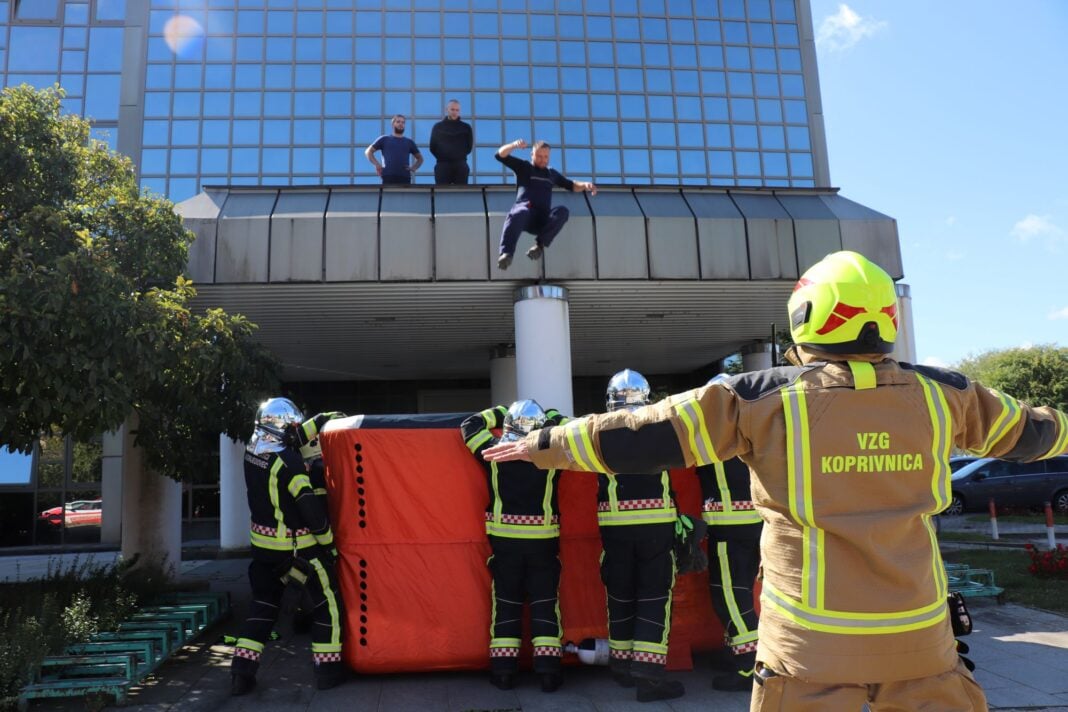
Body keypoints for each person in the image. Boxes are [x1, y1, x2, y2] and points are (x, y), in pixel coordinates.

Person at [485, 250, 1068, 712]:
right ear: (886, 319)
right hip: (919, 636)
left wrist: (544, 443)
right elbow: (1037, 433)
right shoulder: (948, 395)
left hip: (811, 645)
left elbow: (644, 431)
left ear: (805, 318)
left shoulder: (764, 399)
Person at [230, 399, 346, 696]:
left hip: (263, 552)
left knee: (263, 607)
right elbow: (312, 513)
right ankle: (328, 671)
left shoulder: (253, 449)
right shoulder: (291, 464)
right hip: (297, 550)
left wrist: (321, 419)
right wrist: (330, 547)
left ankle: (241, 672)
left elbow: (289, 437)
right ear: (284, 428)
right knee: (326, 605)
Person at [461, 399, 568, 693]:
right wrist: (551, 415)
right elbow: (570, 429)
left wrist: (497, 411)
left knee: (505, 604)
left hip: (505, 543)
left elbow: (469, 425)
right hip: (543, 542)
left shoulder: (493, 451)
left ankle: (503, 671)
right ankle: (548, 672)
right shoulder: (551, 453)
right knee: (545, 605)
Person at [596, 369, 685, 703]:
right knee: (652, 598)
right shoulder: (662, 425)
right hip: (656, 526)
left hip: (614, 527)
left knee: (620, 595)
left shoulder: (596, 429)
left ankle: (621, 668)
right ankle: (648, 679)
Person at [696, 457, 762, 692]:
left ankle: (749, 665)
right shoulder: (746, 424)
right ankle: (737, 653)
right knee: (740, 593)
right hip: (749, 519)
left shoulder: (717, 426)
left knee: (729, 597)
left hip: (730, 523)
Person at [494, 139, 597, 270]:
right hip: (525, 216)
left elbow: (570, 185)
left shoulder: (551, 173)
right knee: (520, 211)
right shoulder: (524, 167)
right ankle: (506, 254)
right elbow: (500, 155)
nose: (543, 160)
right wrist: (514, 145)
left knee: (562, 211)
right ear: (532, 155)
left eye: (546, 157)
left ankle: (539, 246)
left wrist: (586, 185)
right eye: (539, 156)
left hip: (541, 220)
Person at [365, 114, 422, 185]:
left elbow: (420, 158)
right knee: (387, 196)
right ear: (393, 124)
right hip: (388, 176)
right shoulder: (384, 139)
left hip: (404, 177)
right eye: (398, 122)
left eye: (403, 122)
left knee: (405, 196)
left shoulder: (409, 142)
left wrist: (414, 168)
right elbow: (368, 152)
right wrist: (377, 164)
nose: (401, 124)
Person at [429, 99, 473, 185]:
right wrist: (443, 156)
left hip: (460, 164)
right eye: (452, 109)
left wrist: (458, 155)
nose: (455, 112)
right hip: (442, 164)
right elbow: (432, 147)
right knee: (441, 193)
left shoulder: (466, 127)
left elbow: (469, 147)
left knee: (461, 193)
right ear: (447, 110)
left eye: (457, 110)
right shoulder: (438, 127)